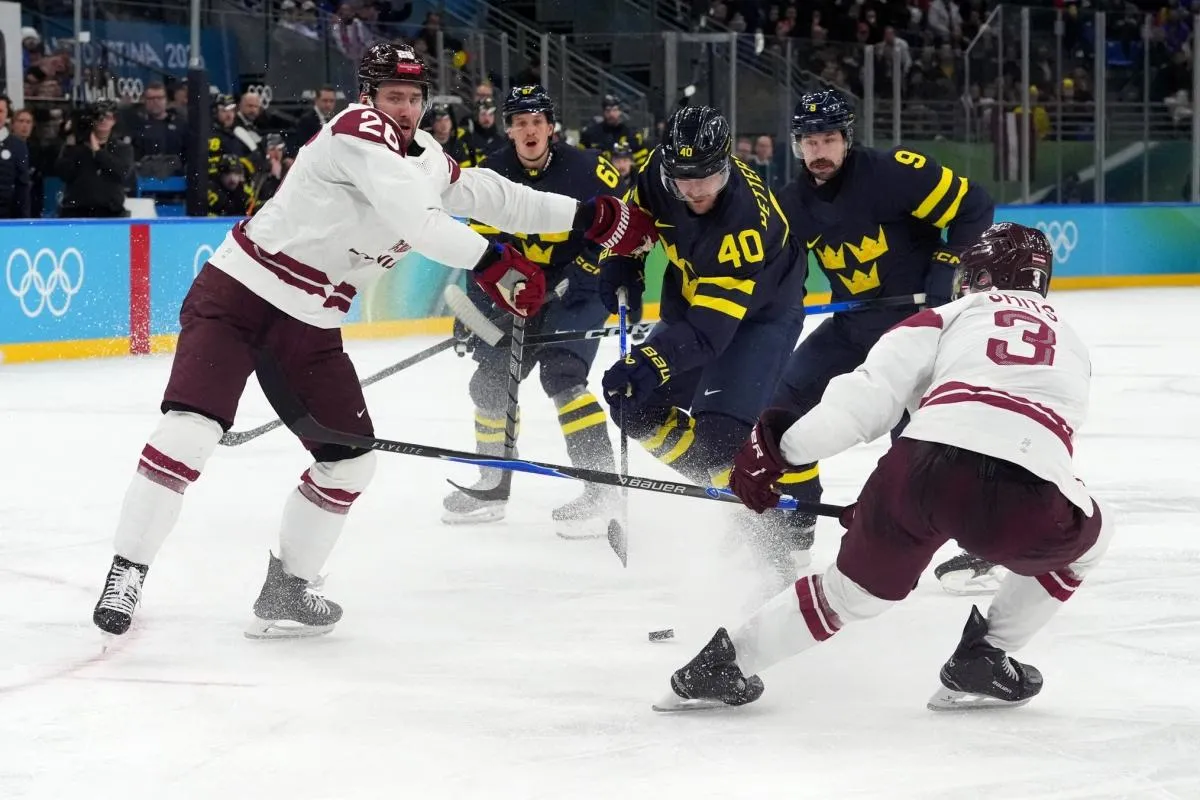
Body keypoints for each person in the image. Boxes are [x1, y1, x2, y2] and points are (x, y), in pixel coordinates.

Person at [90, 42, 655, 642]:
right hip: (241, 295)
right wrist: (495, 261)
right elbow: (421, 222)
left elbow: (497, 196)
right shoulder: (357, 130)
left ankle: (289, 585)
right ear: (369, 97)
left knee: (351, 462)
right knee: (189, 430)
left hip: (310, 321)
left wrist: (591, 217)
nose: (405, 109)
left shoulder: (428, 155)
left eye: (413, 98)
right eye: (394, 96)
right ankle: (127, 570)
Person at [658, 223, 1113, 712]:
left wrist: (777, 454)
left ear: (983, 276)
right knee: (1090, 542)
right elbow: (1011, 443)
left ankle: (718, 668)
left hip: (918, 470)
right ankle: (985, 655)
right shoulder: (1073, 345)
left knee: (849, 594)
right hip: (1027, 486)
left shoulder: (945, 316)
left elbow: (866, 404)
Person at [769, 89, 996, 593]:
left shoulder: (894, 173)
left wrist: (946, 264)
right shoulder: (790, 203)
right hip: (855, 326)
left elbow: (974, 206)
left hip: (919, 330)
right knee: (782, 403)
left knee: (919, 444)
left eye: (828, 138)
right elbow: (779, 273)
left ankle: (980, 544)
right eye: (809, 141)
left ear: (847, 139)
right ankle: (795, 518)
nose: (819, 150)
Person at [598, 105, 805, 566]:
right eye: (682, 180)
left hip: (760, 315)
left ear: (726, 165)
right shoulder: (659, 169)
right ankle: (735, 494)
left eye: (706, 179)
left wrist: (650, 361)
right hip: (693, 299)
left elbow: (711, 334)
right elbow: (635, 222)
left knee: (720, 439)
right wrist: (623, 261)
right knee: (633, 405)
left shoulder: (743, 224)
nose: (693, 192)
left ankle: (772, 536)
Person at [443, 85, 627, 532]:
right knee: (488, 381)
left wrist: (577, 273)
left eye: (536, 122)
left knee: (562, 375)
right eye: (520, 122)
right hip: (521, 289)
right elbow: (481, 250)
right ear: (509, 129)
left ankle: (601, 488)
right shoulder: (491, 175)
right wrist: (480, 306)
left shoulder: (589, 170)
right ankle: (493, 483)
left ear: (551, 128)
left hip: (580, 290)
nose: (529, 130)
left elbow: (622, 229)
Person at [579, 94, 650, 170]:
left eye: (615, 110)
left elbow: (643, 165)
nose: (611, 114)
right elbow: (580, 159)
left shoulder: (632, 135)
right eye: (608, 110)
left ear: (620, 111)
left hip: (626, 179)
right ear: (603, 112)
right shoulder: (590, 134)